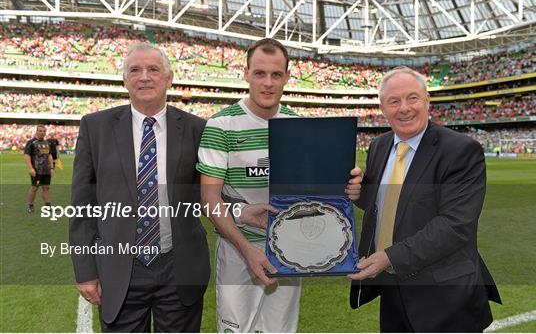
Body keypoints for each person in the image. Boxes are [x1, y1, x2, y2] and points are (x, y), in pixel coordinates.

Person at [197, 38, 362, 332]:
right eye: (260, 73)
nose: (268, 83)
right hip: (238, 249)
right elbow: (209, 198)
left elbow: (312, 196)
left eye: (276, 74)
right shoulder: (221, 126)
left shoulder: (296, 125)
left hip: (289, 249)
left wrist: (346, 184)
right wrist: (247, 249)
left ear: (287, 76)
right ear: (246, 73)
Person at [348, 66, 501, 332]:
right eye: (394, 101)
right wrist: (361, 191)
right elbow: (387, 203)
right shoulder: (379, 146)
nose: (404, 108)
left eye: (412, 98)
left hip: (445, 296)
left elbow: (454, 226)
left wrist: (390, 257)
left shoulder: (461, 150)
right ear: (382, 108)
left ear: (427, 101)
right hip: (393, 290)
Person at [69, 42, 210, 332]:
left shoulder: (197, 128)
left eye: (153, 69)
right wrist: (85, 271)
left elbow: (211, 194)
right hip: (120, 268)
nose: (144, 77)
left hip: (179, 267)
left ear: (169, 78)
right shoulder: (95, 127)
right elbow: (82, 207)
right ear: (125, 79)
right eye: (135, 70)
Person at [24, 124, 54, 213]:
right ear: (37, 132)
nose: (42, 132)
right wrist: (30, 168)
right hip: (36, 171)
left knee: (46, 187)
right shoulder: (31, 142)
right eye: (40, 131)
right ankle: (30, 205)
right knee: (34, 187)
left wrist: (52, 168)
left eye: (44, 131)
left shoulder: (47, 143)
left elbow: (49, 155)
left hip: (46, 170)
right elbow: (26, 155)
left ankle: (47, 206)